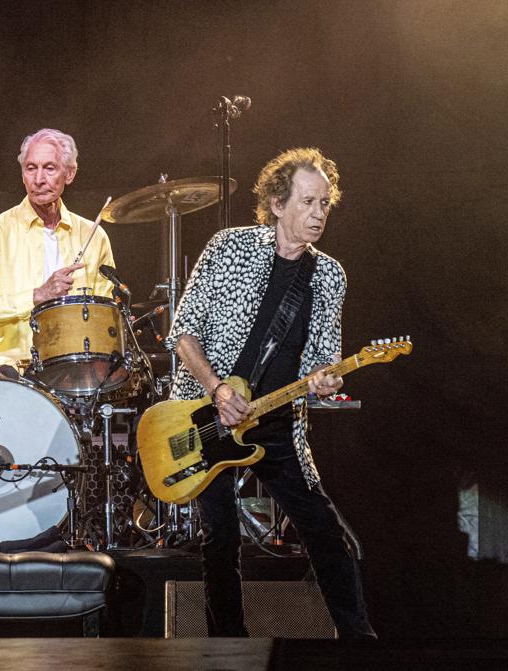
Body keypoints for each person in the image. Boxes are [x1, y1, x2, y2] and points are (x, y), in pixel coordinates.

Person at [168, 147, 376, 638]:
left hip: (277, 421)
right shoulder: (229, 248)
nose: (319, 213)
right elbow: (183, 333)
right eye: (307, 202)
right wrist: (217, 389)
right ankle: (228, 649)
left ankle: (361, 643)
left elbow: (323, 361)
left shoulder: (328, 276)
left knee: (325, 532)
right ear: (278, 204)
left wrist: (328, 380)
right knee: (220, 539)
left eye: (325, 203)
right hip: (206, 414)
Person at [0, 128, 116, 375]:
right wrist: (37, 295)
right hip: (15, 367)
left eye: (50, 168)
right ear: (23, 175)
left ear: (70, 174)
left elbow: (106, 313)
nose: (39, 179)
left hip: (77, 367)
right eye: (31, 168)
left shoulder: (93, 235)